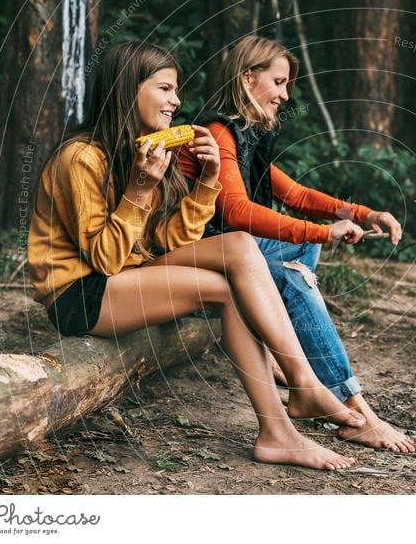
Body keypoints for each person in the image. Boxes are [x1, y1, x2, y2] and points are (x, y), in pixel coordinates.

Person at [27, 41, 368, 471]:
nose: (177, 101)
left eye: (177, 90)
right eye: (165, 89)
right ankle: (292, 403)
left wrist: (207, 181)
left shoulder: (143, 150)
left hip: (125, 274)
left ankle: (286, 413)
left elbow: (166, 239)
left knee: (240, 248)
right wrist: (139, 189)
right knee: (231, 282)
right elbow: (106, 259)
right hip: (80, 293)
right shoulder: (80, 159)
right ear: (126, 90)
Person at [178, 35, 416, 453]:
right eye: (279, 81)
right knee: (294, 275)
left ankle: (288, 359)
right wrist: (324, 231)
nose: (286, 95)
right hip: (198, 255)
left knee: (301, 255)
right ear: (248, 77)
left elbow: (296, 195)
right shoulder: (218, 132)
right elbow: (236, 212)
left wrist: (363, 214)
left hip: (228, 248)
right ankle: (355, 406)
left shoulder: (242, 133)